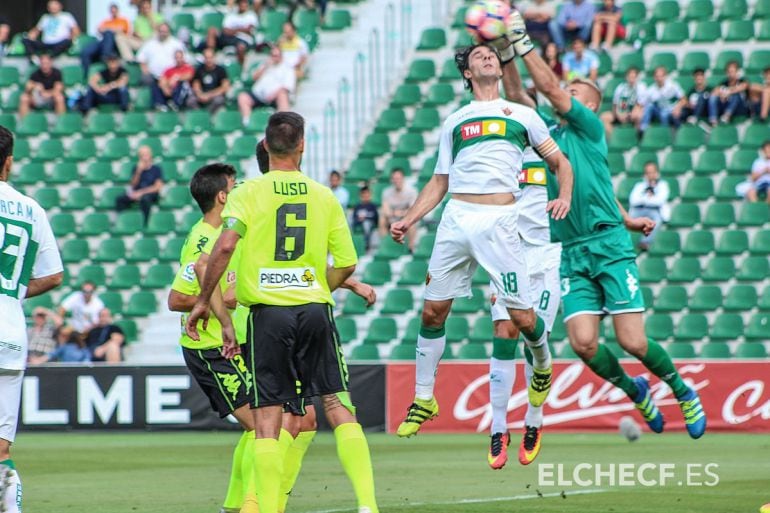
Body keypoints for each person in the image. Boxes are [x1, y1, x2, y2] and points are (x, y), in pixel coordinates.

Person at [496, 11, 706, 439]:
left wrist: (521, 39)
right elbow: (518, 96)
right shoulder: (548, 136)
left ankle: (683, 391)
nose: (561, 92)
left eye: (573, 90)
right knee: (583, 344)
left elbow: (552, 90)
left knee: (633, 342)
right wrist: (504, 53)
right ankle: (635, 389)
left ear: (588, 104)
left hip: (609, 245)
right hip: (572, 251)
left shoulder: (590, 127)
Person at [185, 112, 379, 513]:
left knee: (268, 416)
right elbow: (347, 262)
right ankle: (367, 505)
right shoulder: (324, 195)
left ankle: (265, 507)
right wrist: (315, 284)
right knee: (336, 404)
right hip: (313, 308)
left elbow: (222, 249)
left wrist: (204, 300)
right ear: (302, 144)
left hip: (268, 316)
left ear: (267, 145)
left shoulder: (248, 193)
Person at [390, 43, 573, 438]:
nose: (488, 57)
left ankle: (541, 364)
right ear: (468, 74)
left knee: (523, 319)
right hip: (456, 217)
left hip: (500, 222)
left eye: (492, 54)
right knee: (432, 312)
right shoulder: (455, 121)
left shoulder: (523, 115)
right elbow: (440, 180)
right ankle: (424, 397)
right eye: (479, 56)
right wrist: (408, 218)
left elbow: (559, 162)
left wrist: (565, 195)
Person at [483, 126, 563, 468]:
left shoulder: (557, 151)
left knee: (535, 334)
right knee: (503, 332)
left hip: (547, 255)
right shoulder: (497, 154)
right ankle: (499, 428)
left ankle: (534, 419)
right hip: (507, 253)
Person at [0, 124, 64, 513]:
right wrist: (11, 293)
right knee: (1, 448)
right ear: (9, 161)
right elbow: (54, 274)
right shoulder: (31, 208)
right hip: (10, 332)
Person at [237, 46, 295, 125]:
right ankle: (247, 122)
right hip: (258, 95)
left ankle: (283, 122)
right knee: (242, 96)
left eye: (276, 55)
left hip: (274, 96)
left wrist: (273, 95)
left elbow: (286, 87)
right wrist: (265, 66)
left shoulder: (287, 69)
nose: (274, 57)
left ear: (281, 56)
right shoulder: (265, 65)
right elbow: (254, 78)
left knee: (283, 96)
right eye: (272, 55)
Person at [199, 0, 259, 66]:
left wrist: (233, 30)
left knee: (241, 47)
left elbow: (249, 30)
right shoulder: (231, 15)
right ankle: (209, 56)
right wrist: (240, 30)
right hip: (228, 37)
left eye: (245, 2)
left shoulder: (251, 15)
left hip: (243, 39)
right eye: (241, 2)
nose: (243, 4)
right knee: (212, 30)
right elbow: (225, 29)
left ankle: (242, 69)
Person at [115, 145, 164, 225]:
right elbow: (133, 185)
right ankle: (122, 222)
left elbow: (157, 187)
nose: (144, 158)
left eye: (146, 155)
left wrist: (141, 193)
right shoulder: (136, 168)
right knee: (120, 199)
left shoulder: (156, 169)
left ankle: (145, 223)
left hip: (149, 194)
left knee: (145, 199)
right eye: (142, 155)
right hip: (137, 193)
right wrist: (138, 171)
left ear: (150, 155)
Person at [79, 3, 130, 79]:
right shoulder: (107, 21)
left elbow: (122, 30)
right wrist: (112, 29)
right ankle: (85, 76)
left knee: (109, 34)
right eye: (112, 11)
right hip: (103, 43)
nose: (113, 13)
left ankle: (105, 57)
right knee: (86, 51)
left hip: (115, 44)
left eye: (114, 11)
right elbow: (99, 29)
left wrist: (108, 29)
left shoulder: (123, 20)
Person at [628, 162, 670, 250]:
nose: (651, 175)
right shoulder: (639, 186)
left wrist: (643, 199)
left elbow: (659, 201)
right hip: (639, 210)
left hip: (655, 211)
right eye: (648, 172)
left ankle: (645, 242)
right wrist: (648, 198)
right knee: (627, 220)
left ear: (657, 173)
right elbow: (633, 200)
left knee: (656, 220)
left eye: (652, 172)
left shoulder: (663, 185)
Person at [379, 168, 419, 253]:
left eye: (399, 178)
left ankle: (411, 248)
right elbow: (385, 210)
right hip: (392, 218)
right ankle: (385, 245)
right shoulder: (386, 192)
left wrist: (399, 213)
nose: (397, 181)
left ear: (403, 178)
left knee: (412, 222)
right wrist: (395, 213)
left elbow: (413, 210)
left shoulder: (411, 191)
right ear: (392, 180)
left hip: (406, 218)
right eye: (394, 178)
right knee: (382, 219)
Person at [600, 66, 644, 137]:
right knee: (603, 117)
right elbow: (615, 104)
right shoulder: (620, 87)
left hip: (632, 113)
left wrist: (628, 114)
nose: (631, 80)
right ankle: (614, 137)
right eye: (630, 77)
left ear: (637, 77)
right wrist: (618, 114)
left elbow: (640, 105)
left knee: (638, 115)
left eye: (633, 77)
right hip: (620, 113)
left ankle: (636, 138)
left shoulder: (641, 87)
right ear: (626, 77)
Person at [18, 54, 65, 119]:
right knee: (24, 98)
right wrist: (35, 86)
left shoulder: (57, 73)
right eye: (43, 63)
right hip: (38, 98)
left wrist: (47, 93)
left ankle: (61, 120)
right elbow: (28, 87)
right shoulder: (35, 74)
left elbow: (59, 88)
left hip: (51, 98)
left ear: (51, 63)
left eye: (46, 63)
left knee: (59, 98)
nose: (45, 66)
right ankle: (24, 122)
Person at [639, 66, 683, 133]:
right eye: (657, 76)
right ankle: (643, 129)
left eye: (661, 76)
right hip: (660, 110)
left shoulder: (672, 85)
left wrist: (678, 108)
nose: (659, 79)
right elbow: (641, 103)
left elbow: (684, 99)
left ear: (665, 76)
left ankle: (665, 133)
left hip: (673, 110)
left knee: (664, 114)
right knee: (649, 106)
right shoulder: (651, 89)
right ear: (654, 77)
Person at [708, 60, 749, 126]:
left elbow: (742, 87)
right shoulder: (724, 83)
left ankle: (726, 116)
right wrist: (721, 94)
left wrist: (727, 92)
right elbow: (715, 91)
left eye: (732, 71)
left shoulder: (742, 80)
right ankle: (713, 120)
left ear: (737, 72)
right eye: (729, 72)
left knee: (735, 95)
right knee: (713, 97)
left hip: (740, 108)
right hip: (726, 105)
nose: (730, 74)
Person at [191, 48, 231, 113]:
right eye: (206, 58)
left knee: (219, 100)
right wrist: (200, 94)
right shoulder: (199, 69)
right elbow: (196, 84)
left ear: (214, 58)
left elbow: (224, 87)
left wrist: (209, 95)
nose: (208, 60)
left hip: (215, 95)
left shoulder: (221, 70)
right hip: (202, 94)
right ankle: (198, 114)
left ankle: (207, 115)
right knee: (191, 100)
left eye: (210, 58)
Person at [352, 185, 379, 251]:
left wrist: (365, 218)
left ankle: (366, 244)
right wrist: (359, 219)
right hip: (358, 222)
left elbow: (375, 217)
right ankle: (350, 240)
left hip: (369, 222)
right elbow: (354, 216)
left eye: (367, 194)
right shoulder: (358, 206)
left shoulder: (372, 206)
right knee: (349, 221)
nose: (365, 196)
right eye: (363, 194)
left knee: (366, 224)